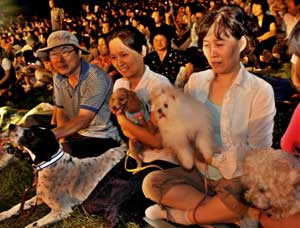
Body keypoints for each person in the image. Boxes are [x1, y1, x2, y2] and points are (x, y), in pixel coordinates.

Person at [142, 6, 276, 226]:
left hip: (237, 177)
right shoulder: (196, 82)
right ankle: (225, 214)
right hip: (201, 175)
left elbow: (258, 154)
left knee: (246, 192)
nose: (212, 52)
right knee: (152, 183)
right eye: (206, 45)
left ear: (241, 44)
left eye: (220, 44)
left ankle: (181, 216)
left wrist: (215, 159)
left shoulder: (260, 91)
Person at [36, 30, 120, 158]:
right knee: (33, 122)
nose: (59, 60)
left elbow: (84, 119)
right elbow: (60, 110)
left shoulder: (95, 77)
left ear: (79, 53)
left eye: (65, 52)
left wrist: (49, 137)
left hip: (101, 136)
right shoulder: (58, 77)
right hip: (76, 132)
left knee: (58, 152)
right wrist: (62, 139)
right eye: (53, 54)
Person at [107, 25, 172, 149]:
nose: (119, 63)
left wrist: (122, 119)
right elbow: (127, 133)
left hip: (164, 157)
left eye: (124, 55)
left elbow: (157, 141)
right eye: (113, 57)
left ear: (143, 51)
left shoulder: (159, 85)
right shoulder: (120, 84)